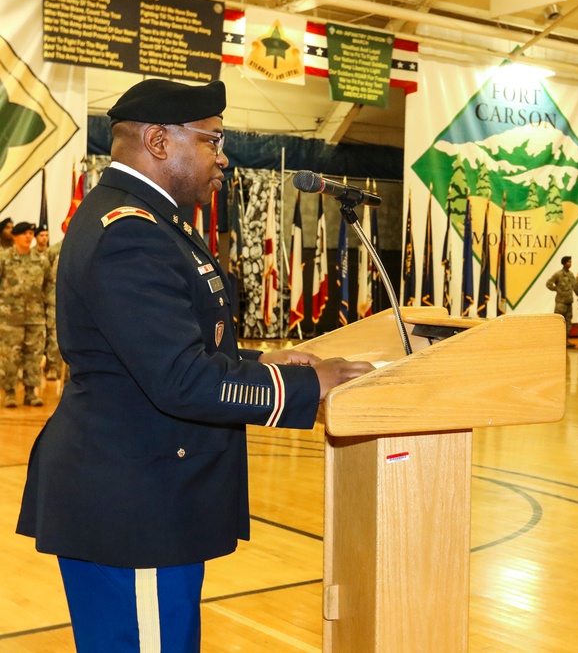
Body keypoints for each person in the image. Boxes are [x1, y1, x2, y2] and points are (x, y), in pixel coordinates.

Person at [16, 78, 374, 653]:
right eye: (213, 140)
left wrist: (265, 360)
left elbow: (176, 346)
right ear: (159, 141)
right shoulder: (130, 234)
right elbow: (181, 380)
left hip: (143, 493)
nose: (224, 158)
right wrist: (309, 384)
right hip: (136, 510)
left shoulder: (151, 222)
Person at [0, 221, 54, 406]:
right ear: (15, 236)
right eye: (24, 234)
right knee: (10, 357)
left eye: (31, 233)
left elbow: (48, 285)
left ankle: (31, 392)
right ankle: (10, 392)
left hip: (35, 318)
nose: (28, 237)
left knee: (34, 356)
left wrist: (47, 310)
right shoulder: (4, 258)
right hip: (9, 319)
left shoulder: (41, 259)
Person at [32, 224, 63, 379]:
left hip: (64, 300)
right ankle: (49, 367)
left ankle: (57, 369)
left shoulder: (76, 248)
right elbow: (47, 278)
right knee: (50, 335)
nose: (44, 238)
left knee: (58, 335)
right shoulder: (53, 251)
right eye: (41, 235)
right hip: (49, 299)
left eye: (46, 235)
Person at [547, 255, 575, 347]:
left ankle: (566, 341)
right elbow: (549, 283)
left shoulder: (571, 274)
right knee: (559, 322)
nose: (569, 264)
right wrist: (557, 289)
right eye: (568, 262)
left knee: (568, 322)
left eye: (570, 262)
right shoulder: (558, 274)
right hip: (560, 302)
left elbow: (574, 285)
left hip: (569, 302)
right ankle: (556, 340)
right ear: (564, 263)